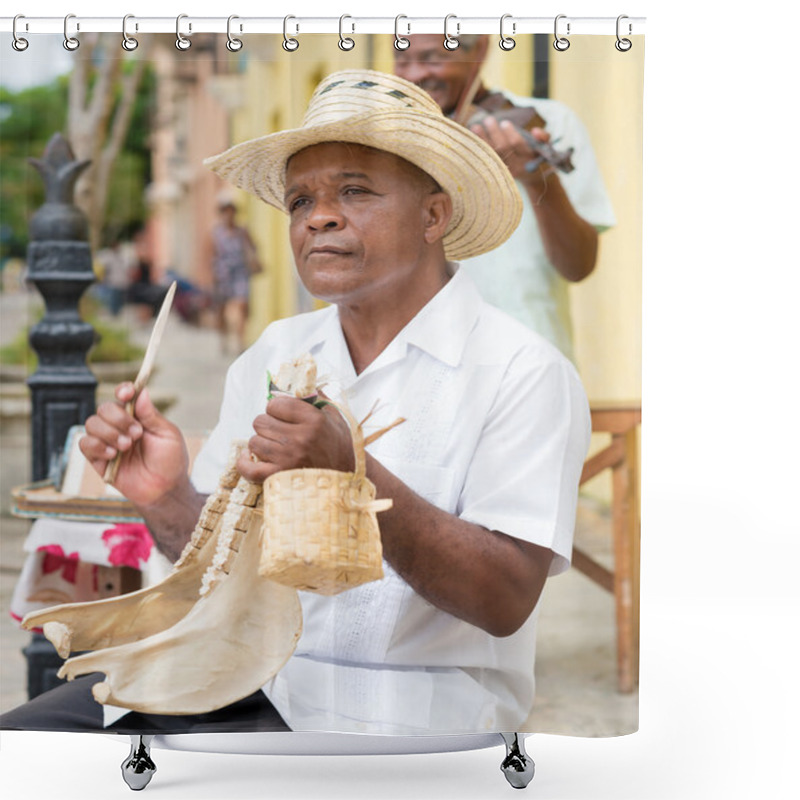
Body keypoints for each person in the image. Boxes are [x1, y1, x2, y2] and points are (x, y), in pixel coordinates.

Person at [1, 70, 590, 736]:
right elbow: (217, 572)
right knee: (23, 748)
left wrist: (353, 474)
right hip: (248, 679)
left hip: (408, 718)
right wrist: (162, 494)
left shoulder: (522, 372)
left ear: (434, 215)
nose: (319, 217)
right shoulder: (275, 354)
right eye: (300, 200)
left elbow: (505, 598)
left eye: (354, 191)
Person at [395, 35, 616, 363]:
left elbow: (579, 266)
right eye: (402, 59)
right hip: (422, 365)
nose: (414, 74)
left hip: (531, 361)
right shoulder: (388, 140)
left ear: (480, 50)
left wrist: (538, 179)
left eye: (432, 58)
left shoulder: (552, 122)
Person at [207, 198, 263, 355]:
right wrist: (211, 276)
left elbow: (253, 247)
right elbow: (210, 254)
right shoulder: (215, 233)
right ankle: (223, 338)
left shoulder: (242, 231)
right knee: (221, 309)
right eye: (225, 213)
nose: (228, 216)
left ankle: (240, 341)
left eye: (231, 212)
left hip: (240, 272)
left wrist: (254, 260)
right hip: (222, 274)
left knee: (242, 305)